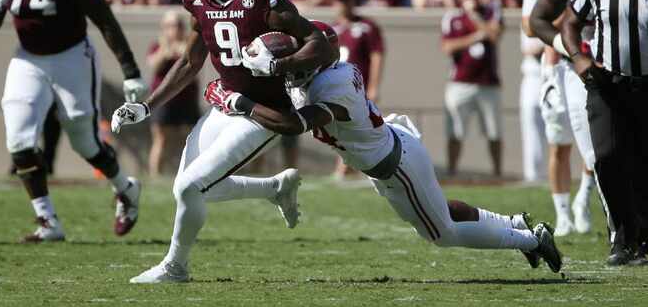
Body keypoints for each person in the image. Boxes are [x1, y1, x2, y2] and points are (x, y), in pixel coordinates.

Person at [219, 20, 562, 274]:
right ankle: (512, 221)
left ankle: (531, 239)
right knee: (438, 210)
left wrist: (236, 102)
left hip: (396, 165)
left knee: (441, 235)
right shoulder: (317, 76)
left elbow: (292, 124)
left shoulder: (333, 84)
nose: (294, 66)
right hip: (389, 157)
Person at [111, 0, 333, 283]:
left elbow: (317, 42)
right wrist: (147, 105)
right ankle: (275, 188)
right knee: (189, 188)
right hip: (225, 103)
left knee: (189, 188)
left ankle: (175, 267)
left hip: (262, 111)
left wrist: (281, 64)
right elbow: (190, 61)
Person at [0, 0, 147, 242]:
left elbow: (104, 19)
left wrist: (130, 71)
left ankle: (126, 188)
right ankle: (47, 220)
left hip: (72, 56)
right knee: (19, 140)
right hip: (28, 59)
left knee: (85, 142)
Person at [553, 0, 648, 265]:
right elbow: (569, 23)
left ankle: (643, 239)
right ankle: (621, 240)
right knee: (606, 160)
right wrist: (578, 57)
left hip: (646, 85)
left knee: (642, 164)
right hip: (606, 84)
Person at [528, 0, 619, 237]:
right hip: (581, 70)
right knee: (597, 152)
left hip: (627, 64)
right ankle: (618, 231)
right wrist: (573, 53)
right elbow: (538, 22)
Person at [521, 0, 588, 235]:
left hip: (587, 58)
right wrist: (571, 20)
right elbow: (530, 25)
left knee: (596, 141)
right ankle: (563, 213)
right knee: (558, 141)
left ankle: (585, 198)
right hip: (552, 63)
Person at [441, 0, 504, 177]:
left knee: (494, 132)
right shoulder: (452, 17)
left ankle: (497, 173)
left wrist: (475, 17)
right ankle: (452, 171)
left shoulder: (490, 11)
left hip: (488, 82)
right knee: (455, 132)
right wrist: (476, 36)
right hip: (460, 82)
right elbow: (448, 47)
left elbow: (494, 36)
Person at [331, 0, 385, 178]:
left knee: (357, 126)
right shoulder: (333, 28)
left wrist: (373, 86)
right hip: (337, 87)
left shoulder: (367, 27)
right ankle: (348, 167)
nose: (343, 5)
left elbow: (377, 55)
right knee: (343, 127)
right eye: (340, 0)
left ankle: (345, 168)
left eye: (346, 0)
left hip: (358, 86)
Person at [147, 11, 200, 177]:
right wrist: (165, 51)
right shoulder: (157, 46)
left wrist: (182, 50)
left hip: (186, 99)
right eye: (169, 26)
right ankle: (155, 176)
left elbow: (194, 69)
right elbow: (153, 66)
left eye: (177, 25)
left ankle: (192, 175)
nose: (174, 29)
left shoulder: (189, 46)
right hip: (163, 101)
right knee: (160, 139)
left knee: (192, 139)